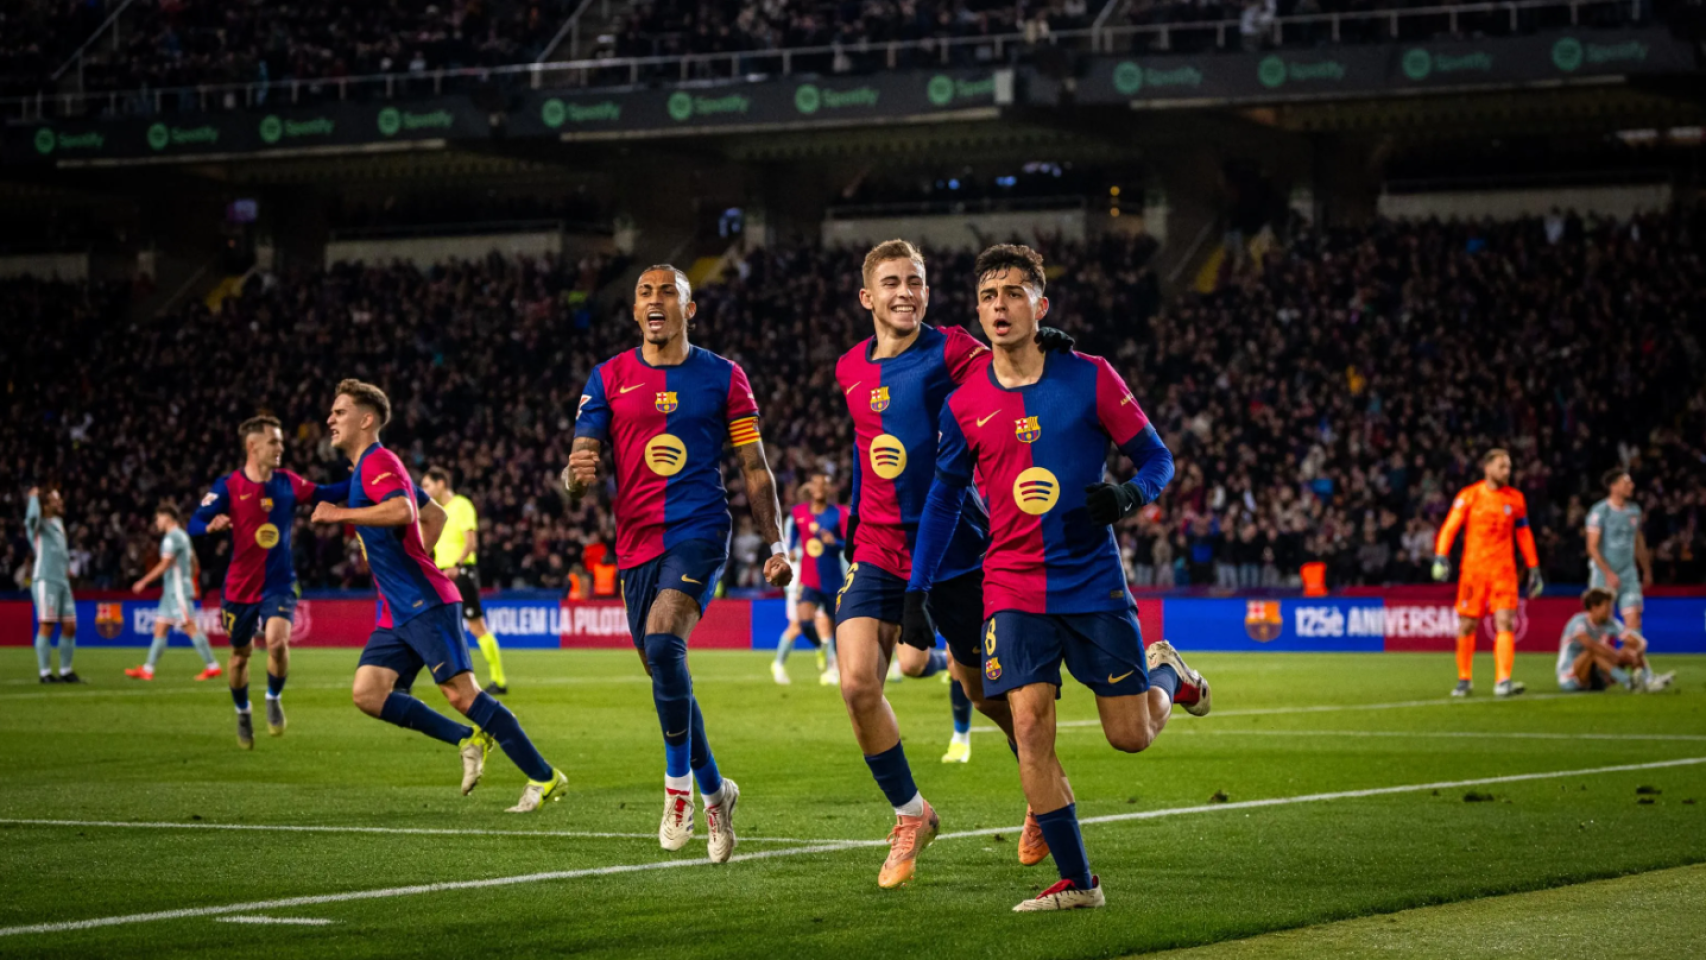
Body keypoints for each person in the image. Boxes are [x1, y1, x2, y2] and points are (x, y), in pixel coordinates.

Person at [905, 243, 1206, 912]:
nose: (999, 306)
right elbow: (944, 499)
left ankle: (1169, 675)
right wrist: (917, 591)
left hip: (1091, 578)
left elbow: (1158, 458)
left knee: (1129, 736)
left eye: (1014, 293)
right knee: (1030, 726)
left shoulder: (1091, 376)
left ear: (1041, 305)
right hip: (1009, 585)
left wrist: (1128, 496)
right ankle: (1080, 882)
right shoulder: (964, 403)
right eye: (988, 296)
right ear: (978, 313)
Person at [832, 239, 1074, 889]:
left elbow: (1013, 355)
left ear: (928, 294)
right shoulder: (850, 368)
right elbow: (866, 450)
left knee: (984, 695)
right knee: (857, 683)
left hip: (957, 549)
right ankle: (912, 814)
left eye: (916, 281)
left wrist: (1048, 336)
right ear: (868, 298)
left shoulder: (956, 350)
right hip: (878, 547)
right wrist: (851, 528)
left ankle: (1040, 785)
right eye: (891, 282)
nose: (905, 291)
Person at [564, 264, 791, 864]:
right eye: (646, 292)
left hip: (699, 528)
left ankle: (678, 792)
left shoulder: (724, 377)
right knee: (663, 671)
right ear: (635, 311)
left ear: (689, 309)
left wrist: (774, 545)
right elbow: (579, 461)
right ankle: (719, 791)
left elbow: (753, 467)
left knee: (665, 643)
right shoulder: (608, 377)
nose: (656, 300)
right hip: (635, 542)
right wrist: (575, 480)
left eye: (670, 292)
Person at [313, 379, 566, 811]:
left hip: (423, 600)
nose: (330, 419)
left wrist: (341, 515)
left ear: (366, 419)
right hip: (398, 608)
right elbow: (435, 513)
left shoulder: (378, 462)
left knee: (462, 694)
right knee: (368, 692)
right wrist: (419, 553)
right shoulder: (369, 469)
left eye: (340, 412)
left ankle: (545, 777)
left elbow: (405, 511)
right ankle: (466, 738)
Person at [188, 415, 351, 748]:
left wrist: (358, 477)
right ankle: (243, 711)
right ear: (253, 446)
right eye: (274, 441)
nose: (281, 446)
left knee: (277, 642)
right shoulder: (228, 486)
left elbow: (325, 493)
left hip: (279, 583)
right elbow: (193, 521)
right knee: (240, 654)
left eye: (280, 440)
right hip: (239, 588)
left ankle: (273, 697)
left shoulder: (287, 482)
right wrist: (211, 525)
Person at [1433, 449, 1544, 698]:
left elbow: (1524, 534)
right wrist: (1441, 554)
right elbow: (1451, 526)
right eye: (1502, 466)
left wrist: (1534, 566)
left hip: (1504, 571)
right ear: (1488, 468)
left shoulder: (1515, 499)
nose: (1507, 471)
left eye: (1509, 467)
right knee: (1467, 624)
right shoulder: (1470, 495)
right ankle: (1464, 679)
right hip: (1473, 571)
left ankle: (1503, 680)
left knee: (1505, 621)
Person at [421, 466, 508, 696]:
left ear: (441, 484)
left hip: (460, 573)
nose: (424, 490)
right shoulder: (434, 510)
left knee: (476, 625)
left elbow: (471, 541)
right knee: (428, 623)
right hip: (440, 574)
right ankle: (415, 679)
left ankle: (498, 680)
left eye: (427, 485)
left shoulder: (462, 505)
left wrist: (457, 566)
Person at [127, 503, 221, 681]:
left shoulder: (171, 538)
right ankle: (148, 669)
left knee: (189, 627)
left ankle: (212, 666)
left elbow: (164, 564)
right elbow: (193, 559)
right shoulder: (183, 536)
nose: (157, 522)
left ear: (167, 517)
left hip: (176, 590)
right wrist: (190, 576)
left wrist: (143, 581)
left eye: (158, 518)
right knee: (160, 627)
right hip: (172, 590)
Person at [774, 467, 843, 686]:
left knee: (835, 629)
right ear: (811, 487)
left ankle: (834, 667)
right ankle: (822, 648)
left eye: (825, 484)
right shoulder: (798, 513)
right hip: (809, 579)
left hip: (834, 579)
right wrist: (790, 551)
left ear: (830, 488)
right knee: (803, 622)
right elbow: (792, 540)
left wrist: (837, 543)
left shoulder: (840, 513)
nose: (820, 488)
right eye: (816, 483)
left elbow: (851, 544)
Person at [1556, 587, 1673, 693]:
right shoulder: (1578, 622)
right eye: (1607, 607)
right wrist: (1616, 656)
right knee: (1593, 651)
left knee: (1629, 650)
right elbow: (1590, 644)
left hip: (1596, 676)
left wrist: (1637, 653)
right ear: (1594, 607)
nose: (1610, 611)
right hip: (1571, 679)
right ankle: (1629, 681)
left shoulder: (1609, 623)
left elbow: (1637, 641)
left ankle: (1649, 680)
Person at [1585, 467, 1652, 637]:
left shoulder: (1634, 511)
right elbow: (1592, 547)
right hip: (1603, 576)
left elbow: (1639, 543)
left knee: (1634, 619)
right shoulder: (1600, 512)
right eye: (1626, 482)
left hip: (1628, 575)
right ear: (1614, 487)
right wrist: (1608, 573)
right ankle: (1602, 663)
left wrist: (1646, 570)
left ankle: (1635, 663)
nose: (1632, 485)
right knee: (1602, 622)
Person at [25, 487, 80, 683]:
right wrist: (33, 499)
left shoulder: (58, 522)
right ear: (46, 505)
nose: (60, 503)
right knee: (47, 624)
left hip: (62, 581)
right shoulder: (38, 524)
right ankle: (45, 673)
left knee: (70, 625)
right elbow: (30, 519)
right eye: (56, 500)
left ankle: (65, 671)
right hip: (45, 579)